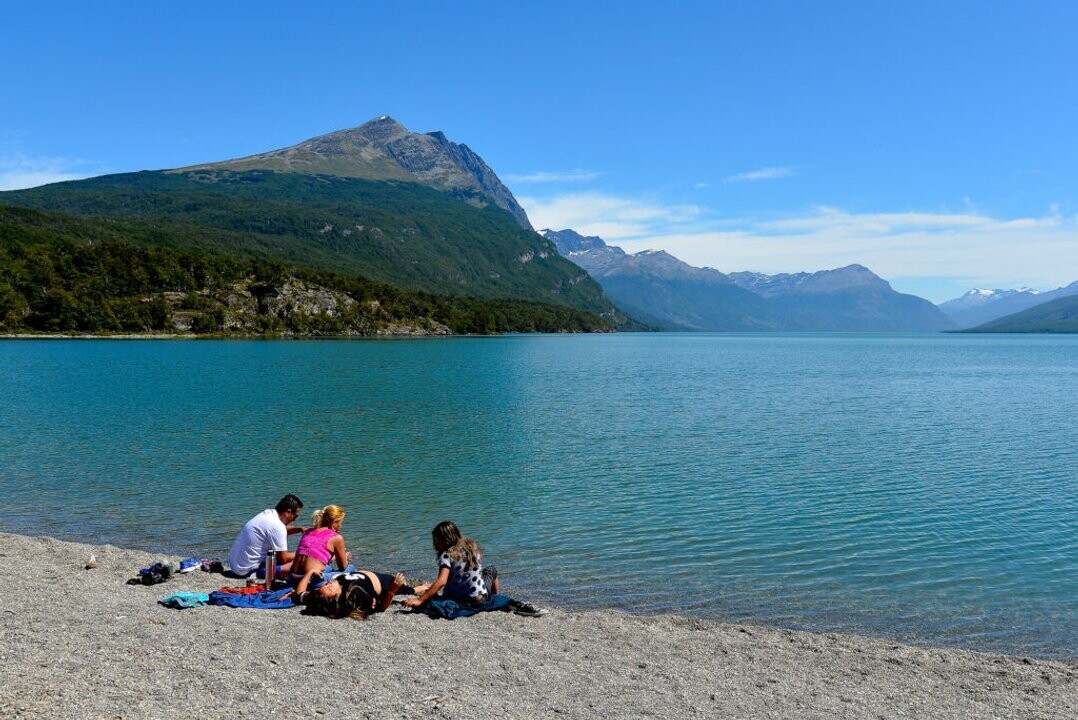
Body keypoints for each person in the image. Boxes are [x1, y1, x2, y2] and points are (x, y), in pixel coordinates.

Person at [402, 520, 546, 616]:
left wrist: (420, 601)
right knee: (491, 570)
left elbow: (441, 582)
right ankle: (493, 599)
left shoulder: (446, 555)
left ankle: (494, 600)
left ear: (445, 539)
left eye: (436, 540)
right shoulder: (472, 547)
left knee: (432, 599)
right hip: (479, 597)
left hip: (460, 599)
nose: (435, 544)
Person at [290, 569, 429, 620]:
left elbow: (300, 594)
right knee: (406, 589)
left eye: (326, 585)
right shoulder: (355, 596)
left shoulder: (318, 597)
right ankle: (420, 589)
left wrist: (309, 573)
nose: (329, 583)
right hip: (381, 583)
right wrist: (392, 590)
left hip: (359, 574)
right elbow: (380, 608)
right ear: (335, 597)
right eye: (329, 587)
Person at [226, 494, 305, 578]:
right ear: (288, 512)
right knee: (301, 562)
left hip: (235, 566)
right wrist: (304, 553)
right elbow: (283, 559)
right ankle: (258, 574)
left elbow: (276, 532)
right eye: (295, 516)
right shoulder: (278, 527)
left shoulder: (268, 514)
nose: (294, 520)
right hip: (246, 571)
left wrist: (299, 529)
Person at [286, 505, 353, 587]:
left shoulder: (308, 531)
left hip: (292, 579)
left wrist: (333, 558)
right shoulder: (336, 538)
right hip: (311, 581)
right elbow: (343, 567)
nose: (341, 526)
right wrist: (345, 558)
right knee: (351, 569)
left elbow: (315, 556)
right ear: (334, 522)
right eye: (340, 522)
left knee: (327, 568)